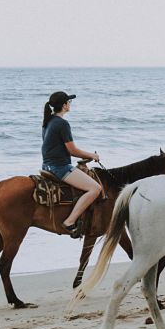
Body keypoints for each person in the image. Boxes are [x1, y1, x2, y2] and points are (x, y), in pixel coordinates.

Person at [41, 91, 102, 238]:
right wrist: (91, 155)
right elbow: (72, 150)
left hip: (47, 165)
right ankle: (70, 221)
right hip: (60, 167)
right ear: (64, 105)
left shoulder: (48, 121)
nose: (70, 104)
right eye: (69, 102)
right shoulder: (62, 124)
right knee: (95, 188)